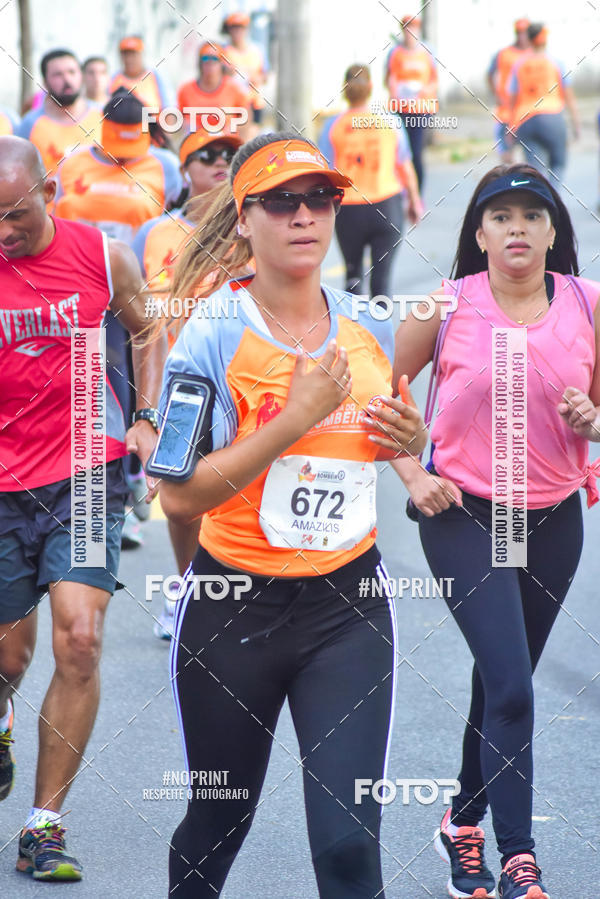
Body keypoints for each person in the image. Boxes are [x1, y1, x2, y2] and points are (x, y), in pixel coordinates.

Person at [154, 131, 428, 896]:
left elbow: (385, 441)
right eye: (280, 202)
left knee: (348, 846)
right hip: (232, 608)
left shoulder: (368, 326)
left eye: (320, 198)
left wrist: (411, 441)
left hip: (348, 610)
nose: (304, 215)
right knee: (218, 822)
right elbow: (178, 494)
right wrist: (291, 420)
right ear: (244, 219)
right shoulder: (210, 333)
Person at [392, 163, 600, 899]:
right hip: (465, 513)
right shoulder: (445, 305)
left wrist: (594, 421)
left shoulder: (588, 303)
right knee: (512, 685)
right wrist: (412, 474)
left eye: (532, 216)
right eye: (501, 216)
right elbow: (369, 392)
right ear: (479, 234)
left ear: (552, 232)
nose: (517, 228)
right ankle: (519, 857)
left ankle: (461, 821)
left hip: (551, 518)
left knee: (499, 682)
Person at [0, 135, 166, 879]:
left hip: (87, 472)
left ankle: (44, 825)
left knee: (79, 639)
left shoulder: (103, 257)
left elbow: (148, 328)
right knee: (8, 655)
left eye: (16, 213)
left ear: (50, 192)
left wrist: (147, 415)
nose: (5, 231)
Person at [53, 87, 181, 548]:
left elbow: (175, 223)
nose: (126, 155)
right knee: (99, 389)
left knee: (138, 387)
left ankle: (135, 473)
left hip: (143, 293)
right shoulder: (72, 166)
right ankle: (112, 498)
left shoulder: (164, 167)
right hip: (86, 297)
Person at [133, 128, 248, 637]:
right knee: (180, 499)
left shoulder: (250, 226)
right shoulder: (154, 233)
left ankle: (244, 592)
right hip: (180, 388)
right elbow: (140, 323)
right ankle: (186, 587)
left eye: (230, 154)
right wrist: (143, 407)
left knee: (242, 491)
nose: (220, 161)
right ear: (184, 170)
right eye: (207, 155)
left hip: (244, 381)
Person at [319, 63, 423, 297]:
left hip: (348, 210)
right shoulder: (390, 121)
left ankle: (352, 320)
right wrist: (414, 201)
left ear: (344, 89)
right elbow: (405, 167)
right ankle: (381, 320)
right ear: (371, 87)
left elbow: (324, 171)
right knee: (381, 284)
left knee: (353, 279)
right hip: (386, 205)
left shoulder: (332, 126)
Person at [508, 23, 580, 190]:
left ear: (529, 39)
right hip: (551, 117)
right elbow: (569, 96)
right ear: (545, 39)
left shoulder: (519, 65)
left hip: (525, 119)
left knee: (535, 171)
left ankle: (539, 199)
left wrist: (510, 127)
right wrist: (576, 124)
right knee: (558, 164)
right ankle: (553, 199)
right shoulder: (555, 62)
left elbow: (512, 99)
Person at [17, 49, 102, 174]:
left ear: (81, 76)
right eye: (58, 74)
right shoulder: (30, 124)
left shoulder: (103, 115)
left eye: (72, 72)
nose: (67, 79)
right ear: (45, 82)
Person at [384, 14, 437, 190]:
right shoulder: (395, 53)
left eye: (413, 28)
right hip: (401, 109)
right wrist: (396, 93)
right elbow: (390, 78)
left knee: (416, 152)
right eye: (407, 29)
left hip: (421, 109)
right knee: (400, 152)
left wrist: (424, 90)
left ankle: (417, 192)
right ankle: (403, 189)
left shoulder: (427, 52)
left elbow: (434, 80)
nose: (410, 33)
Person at [177, 41, 252, 136]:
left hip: (226, 141)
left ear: (222, 63)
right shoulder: (186, 90)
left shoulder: (234, 89)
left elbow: (247, 117)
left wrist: (233, 127)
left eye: (214, 59)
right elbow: (177, 118)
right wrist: (186, 126)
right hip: (196, 141)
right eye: (205, 59)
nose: (210, 64)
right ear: (200, 63)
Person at [487, 18, 530, 163]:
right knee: (506, 155)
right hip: (506, 111)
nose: (522, 36)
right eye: (519, 32)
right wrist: (496, 95)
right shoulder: (503, 54)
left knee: (530, 156)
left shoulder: (534, 54)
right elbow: (490, 74)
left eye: (525, 32)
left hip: (527, 113)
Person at [221, 11, 268, 128]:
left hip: (254, 102)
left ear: (246, 30)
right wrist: (225, 71)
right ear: (229, 30)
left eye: (241, 28)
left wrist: (258, 79)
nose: (237, 32)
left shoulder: (258, 49)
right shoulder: (223, 50)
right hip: (231, 104)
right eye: (234, 28)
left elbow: (265, 75)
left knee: (253, 135)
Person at [109, 35, 173, 110]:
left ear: (142, 54)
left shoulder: (156, 76)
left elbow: (170, 108)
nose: (129, 59)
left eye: (133, 54)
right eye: (126, 54)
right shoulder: (113, 79)